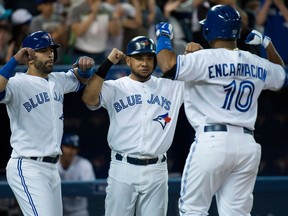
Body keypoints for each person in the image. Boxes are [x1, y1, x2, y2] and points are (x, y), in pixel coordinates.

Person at [154, 4, 288, 216]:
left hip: (212, 141)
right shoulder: (255, 61)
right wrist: (267, 43)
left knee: (192, 210)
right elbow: (282, 75)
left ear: (209, 31)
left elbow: (167, 65)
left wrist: (162, 36)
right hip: (247, 145)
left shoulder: (204, 57)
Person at [82, 36, 185, 216]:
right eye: (139, 58)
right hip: (123, 168)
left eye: (149, 58)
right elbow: (89, 99)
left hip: (157, 168)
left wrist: (195, 55)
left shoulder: (171, 87)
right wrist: (106, 64)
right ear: (128, 60)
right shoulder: (115, 86)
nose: (144, 63)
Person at [0, 30, 95, 216]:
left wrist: (86, 67)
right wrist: (14, 60)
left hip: (52, 168)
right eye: (43, 50)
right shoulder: (18, 83)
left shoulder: (57, 80)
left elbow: (81, 77)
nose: (50, 54)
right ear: (29, 56)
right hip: (27, 165)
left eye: (51, 50)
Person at [57, 132, 96, 216]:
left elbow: (90, 189)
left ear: (77, 150)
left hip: (78, 211)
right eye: (67, 146)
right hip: (57, 210)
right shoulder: (53, 164)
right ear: (61, 147)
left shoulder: (84, 164)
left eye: (74, 148)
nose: (70, 151)